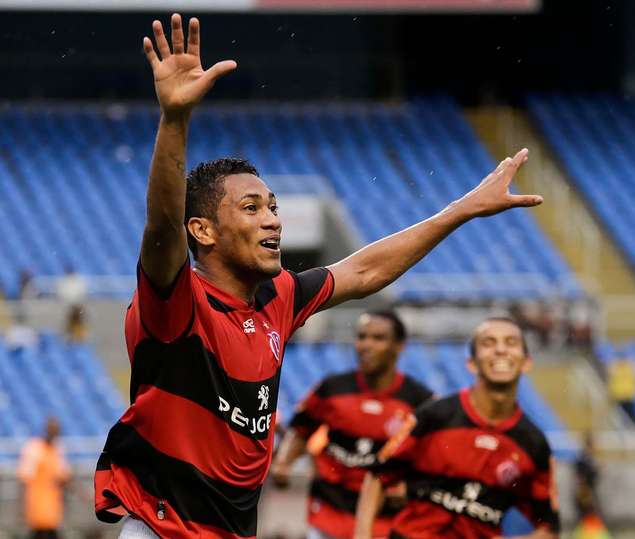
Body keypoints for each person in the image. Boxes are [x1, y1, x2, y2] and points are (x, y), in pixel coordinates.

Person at [93, 13, 542, 539]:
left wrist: (460, 210)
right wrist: (175, 120)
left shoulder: (278, 298)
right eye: (252, 207)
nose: (273, 219)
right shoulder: (176, 305)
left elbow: (366, 268)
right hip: (160, 530)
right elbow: (163, 228)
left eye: (274, 207)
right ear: (204, 231)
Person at [354, 318, 560, 539]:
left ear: (527, 362)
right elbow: (377, 477)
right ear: (471, 363)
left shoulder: (533, 443)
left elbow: (549, 528)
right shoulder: (434, 416)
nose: (501, 350)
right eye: (489, 343)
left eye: (511, 342)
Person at [272, 310, 434, 539]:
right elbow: (301, 429)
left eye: (378, 338)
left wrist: (409, 486)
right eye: (362, 336)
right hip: (329, 514)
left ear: (399, 346)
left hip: (383, 524)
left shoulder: (420, 401)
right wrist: (283, 462)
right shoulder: (332, 388)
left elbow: (433, 458)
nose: (366, 345)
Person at [17, 418, 72, 539]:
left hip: (53, 505)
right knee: (40, 532)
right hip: (37, 502)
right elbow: (25, 477)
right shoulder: (34, 448)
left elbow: (63, 477)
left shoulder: (58, 449)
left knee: (50, 531)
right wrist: (21, 505)